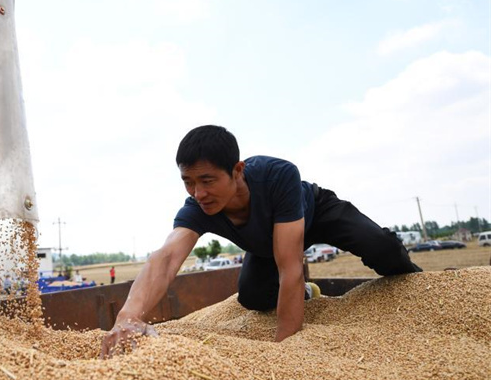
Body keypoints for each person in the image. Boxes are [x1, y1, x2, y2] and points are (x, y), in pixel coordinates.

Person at [100, 125, 421, 357]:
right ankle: (309, 294)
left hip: (315, 214)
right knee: (252, 297)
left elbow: (290, 267)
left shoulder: (277, 174)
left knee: (383, 248)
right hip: (268, 245)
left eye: (208, 180)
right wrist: (128, 317)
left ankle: (425, 286)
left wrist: (282, 352)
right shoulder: (198, 207)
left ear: (237, 170)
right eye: (188, 182)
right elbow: (167, 258)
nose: (198, 193)